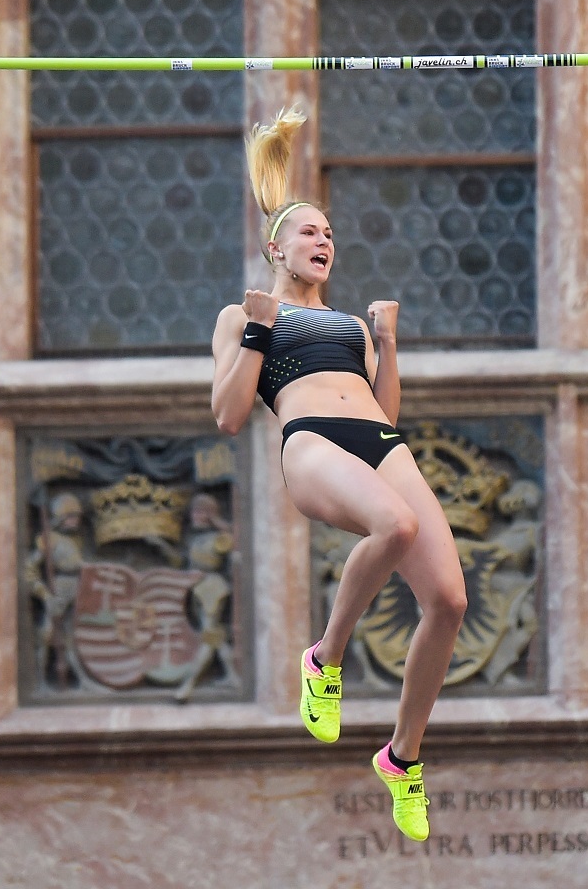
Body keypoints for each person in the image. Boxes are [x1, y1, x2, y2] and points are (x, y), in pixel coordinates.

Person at [210, 106, 468, 843]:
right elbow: (229, 414)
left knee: (449, 601)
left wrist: (386, 340)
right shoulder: (243, 314)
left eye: (328, 234)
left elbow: (385, 411)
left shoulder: (353, 324)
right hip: (310, 439)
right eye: (309, 233)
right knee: (396, 525)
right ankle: (324, 659)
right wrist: (258, 330)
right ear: (276, 247)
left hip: (375, 438)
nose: (324, 241)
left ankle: (401, 758)